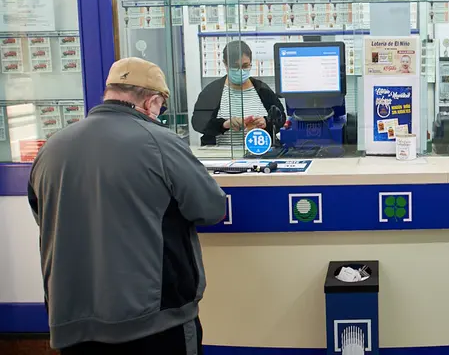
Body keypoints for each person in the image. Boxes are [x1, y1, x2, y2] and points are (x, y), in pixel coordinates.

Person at [28, 58, 228, 354]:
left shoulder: (52, 147)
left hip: (72, 321)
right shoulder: (161, 141)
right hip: (154, 321)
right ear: (153, 102)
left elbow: (42, 215)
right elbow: (210, 209)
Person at [192, 40, 285, 146]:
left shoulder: (263, 90)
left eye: (245, 66)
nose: (240, 71)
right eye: (235, 66)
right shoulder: (212, 92)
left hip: (259, 154)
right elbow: (198, 122)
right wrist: (224, 124)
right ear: (225, 64)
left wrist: (265, 122)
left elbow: (280, 117)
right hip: (221, 155)